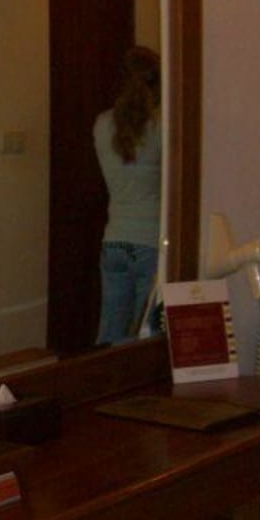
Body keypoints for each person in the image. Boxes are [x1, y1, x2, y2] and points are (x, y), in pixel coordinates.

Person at [93, 46, 162, 344]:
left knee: (110, 330)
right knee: (145, 336)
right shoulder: (161, 128)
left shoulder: (102, 124)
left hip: (114, 240)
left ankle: (103, 372)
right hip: (150, 241)